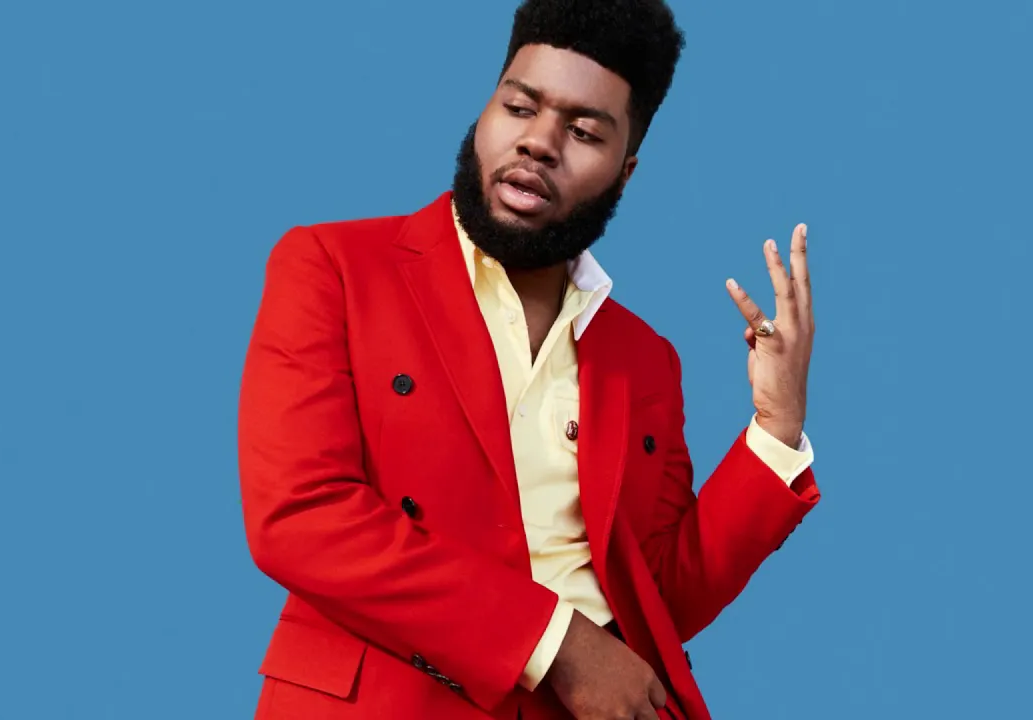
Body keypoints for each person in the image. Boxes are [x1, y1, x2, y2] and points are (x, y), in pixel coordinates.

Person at [237, 0, 820, 717]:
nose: (539, 142)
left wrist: (776, 427)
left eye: (583, 132)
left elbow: (659, 597)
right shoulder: (335, 268)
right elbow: (301, 516)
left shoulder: (644, 360)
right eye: (519, 107)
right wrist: (556, 644)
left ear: (625, 173)